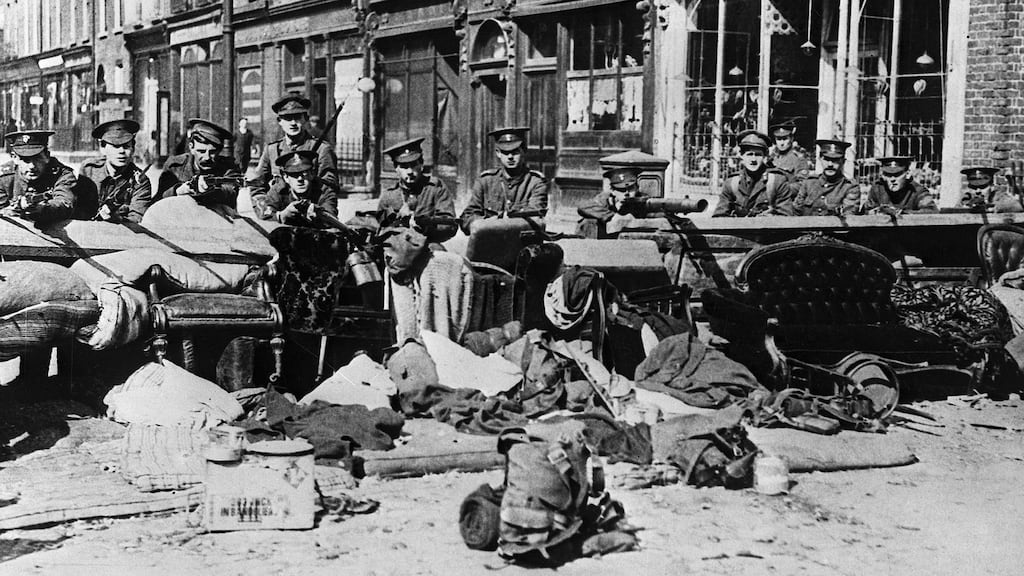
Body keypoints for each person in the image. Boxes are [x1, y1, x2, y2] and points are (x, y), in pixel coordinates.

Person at [248, 95, 337, 207]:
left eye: (298, 117)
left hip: (312, 212)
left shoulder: (321, 149)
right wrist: (268, 211)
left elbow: (329, 189)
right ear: (279, 121)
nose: (293, 123)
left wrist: (319, 212)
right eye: (288, 118)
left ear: (306, 118)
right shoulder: (272, 150)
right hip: (280, 214)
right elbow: (256, 185)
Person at [459, 127, 548, 234]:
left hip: (522, 241)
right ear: (498, 153)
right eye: (505, 152)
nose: (510, 157)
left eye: (515, 152)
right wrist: (486, 223)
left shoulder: (536, 183)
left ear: (524, 151)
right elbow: (467, 217)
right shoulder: (485, 182)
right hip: (490, 240)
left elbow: (535, 218)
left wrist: (500, 223)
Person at [376, 137, 458, 243]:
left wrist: (423, 226)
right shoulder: (389, 195)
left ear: (421, 164)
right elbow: (378, 226)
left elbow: (450, 225)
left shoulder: (435, 188)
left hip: (427, 244)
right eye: (404, 167)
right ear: (396, 168)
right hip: (397, 247)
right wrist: (397, 219)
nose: (410, 171)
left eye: (414, 165)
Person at [75, 119, 153, 223]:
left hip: (119, 232)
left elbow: (137, 218)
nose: (121, 151)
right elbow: (78, 209)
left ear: (133, 149)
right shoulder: (89, 170)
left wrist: (118, 219)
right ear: (103, 148)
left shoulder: (140, 181)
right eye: (115, 146)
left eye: (126, 146)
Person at [156, 118, 241, 210]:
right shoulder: (175, 166)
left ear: (220, 150)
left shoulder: (229, 167)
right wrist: (178, 190)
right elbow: (159, 199)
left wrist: (210, 189)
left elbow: (230, 192)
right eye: (201, 151)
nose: (207, 157)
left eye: (212, 152)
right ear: (191, 148)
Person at [0, 130, 77, 224]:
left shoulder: (62, 175)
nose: (32, 166)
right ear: (14, 158)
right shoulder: (4, 177)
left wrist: (44, 208)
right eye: (26, 160)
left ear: (47, 156)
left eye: (37, 158)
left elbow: (65, 203)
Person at [713, 130, 794, 217]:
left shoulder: (777, 181)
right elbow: (719, 217)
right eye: (749, 154)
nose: (753, 159)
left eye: (758, 155)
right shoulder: (732, 183)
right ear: (741, 155)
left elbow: (786, 217)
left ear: (765, 156)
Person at [257, 150, 339, 227]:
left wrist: (318, 214)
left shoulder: (323, 190)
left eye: (304, 173)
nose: (300, 179)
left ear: (312, 174)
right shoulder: (279, 190)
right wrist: (282, 215)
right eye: (294, 175)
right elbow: (264, 216)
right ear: (286, 177)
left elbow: (332, 217)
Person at [793, 139, 861, 216]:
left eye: (835, 160)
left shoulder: (850, 187)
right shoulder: (809, 183)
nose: (830, 164)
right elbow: (796, 212)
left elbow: (849, 216)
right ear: (820, 159)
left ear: (843, 161)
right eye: (826, 159)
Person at [576, 166, 645, 238]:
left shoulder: (643, 200)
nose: (626, 193)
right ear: (612, 190)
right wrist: (613, 216)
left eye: (631, 188)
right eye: (621, 190)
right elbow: (583, 206)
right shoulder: (606, 198)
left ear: (637, 187)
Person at [862, 156, 937, 214]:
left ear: (907, 174)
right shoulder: (877, 189)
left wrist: (903, 213)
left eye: (897, 175)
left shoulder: (917, 191)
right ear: (883, 176)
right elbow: (865, 212)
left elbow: (931, 211)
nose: (892, 179)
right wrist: (876, 212)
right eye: (888, 175)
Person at [959, 166, 1024, 213]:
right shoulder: (966, 198)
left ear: (991, 185)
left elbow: (1017, 207)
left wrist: (991, 208)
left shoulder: (997, 195)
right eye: (974, 188)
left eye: (983, 187)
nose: (978, 191)